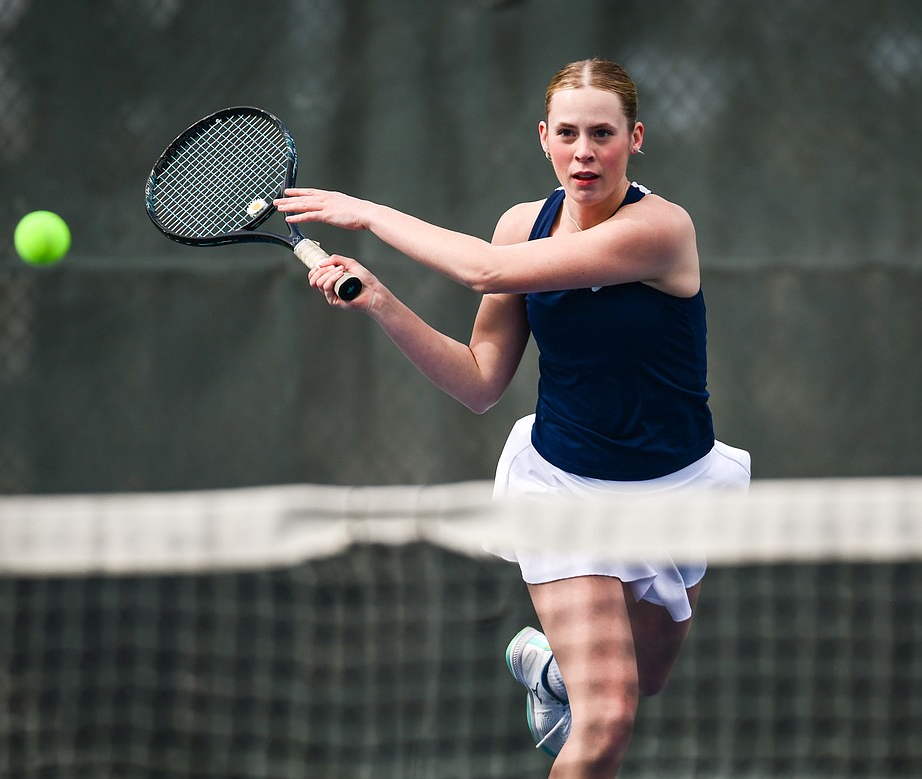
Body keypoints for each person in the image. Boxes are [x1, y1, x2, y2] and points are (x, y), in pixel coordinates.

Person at [276, 58, 751, 779]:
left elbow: (488, 272)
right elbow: (478, 380)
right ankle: (576, 690)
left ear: (636, 138)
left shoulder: (661, 228)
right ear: (544, 138)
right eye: (567, 133)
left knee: (647, 678)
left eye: (602, 133)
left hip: (676, 489)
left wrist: (367, 213)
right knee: (608, 720)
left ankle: (552, 674)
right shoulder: (520, 225)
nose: (584, 151)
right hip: (563, 489)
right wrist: (378, 298)